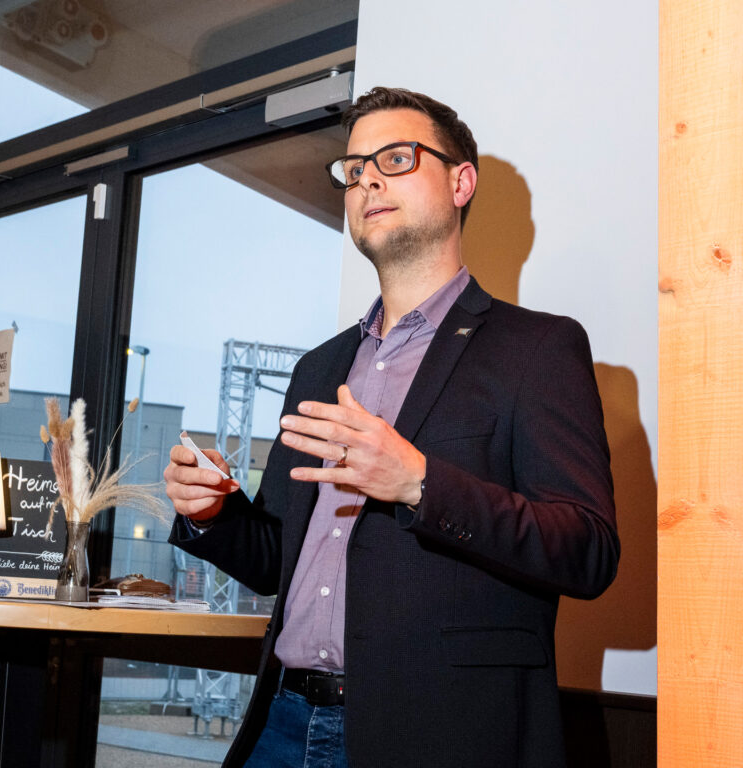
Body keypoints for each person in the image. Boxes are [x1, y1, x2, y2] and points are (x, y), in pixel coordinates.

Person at [164, 87, 619, 768]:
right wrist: (213, 514)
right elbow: (275, 559)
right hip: (281, 723)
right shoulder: (319, 368)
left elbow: (588, 550)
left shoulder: (538, 350)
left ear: (460, 183)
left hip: (440, 736)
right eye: (353, 170)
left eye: (396, 158)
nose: (368, 180)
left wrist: (420, 484)